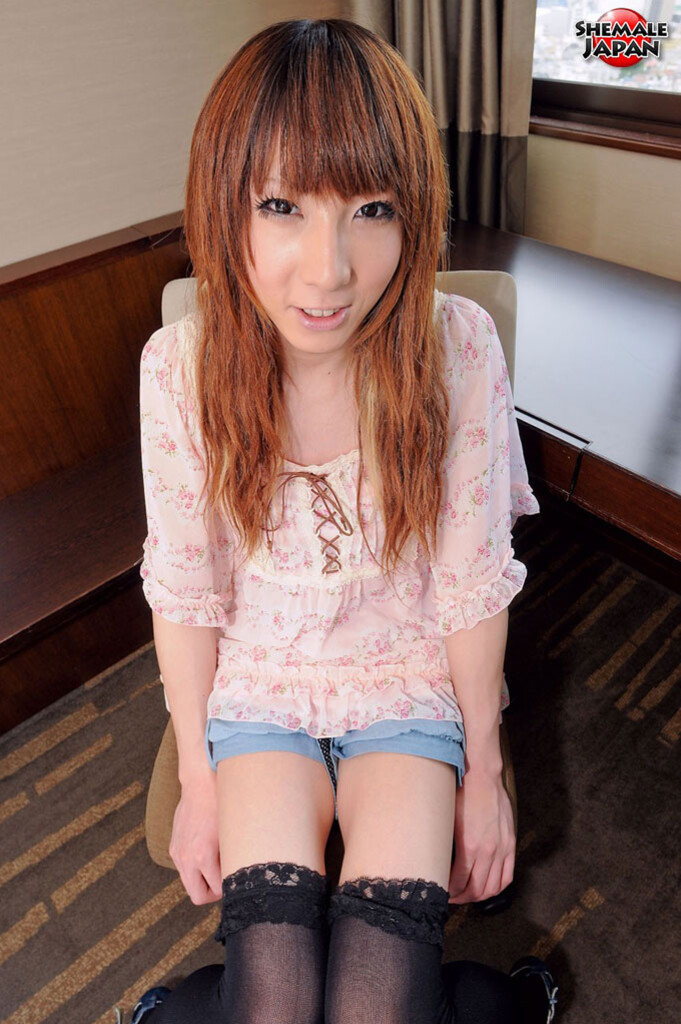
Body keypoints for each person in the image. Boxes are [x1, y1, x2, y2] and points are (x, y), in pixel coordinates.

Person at [123, 17, 558, 1024]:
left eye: (371, 209)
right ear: (226, 205)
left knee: (374, 1008)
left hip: (403, 680)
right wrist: (198, 782)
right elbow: (185, 593)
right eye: (281, 205)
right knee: (275, 1001)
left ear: (414, 213)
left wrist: (484, 774)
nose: (327, 272)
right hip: (262, 687)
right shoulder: (179, 369)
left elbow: (470, 586)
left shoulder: (457, 349)